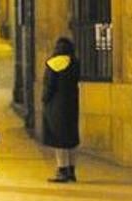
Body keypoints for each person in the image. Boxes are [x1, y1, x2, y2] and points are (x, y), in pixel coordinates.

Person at [43, 37, 80, 183]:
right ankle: (71, 170)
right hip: (71, 105)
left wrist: (44, 100)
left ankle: (62, 169)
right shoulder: (74, 63)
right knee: (71, 139)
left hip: (56, 106)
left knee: (59, 139)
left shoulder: (53, 64)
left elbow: (49, 87)